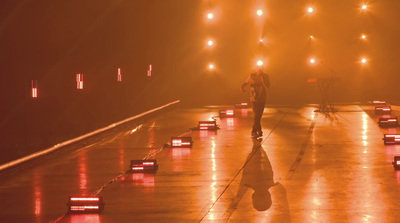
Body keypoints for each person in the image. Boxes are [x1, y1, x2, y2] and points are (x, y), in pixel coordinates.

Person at [240, 65, 270, 138]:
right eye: (258, 69)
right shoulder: (251, 76)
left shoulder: (266, 76)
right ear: (256, 69)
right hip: (254, 99)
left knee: (259, 116)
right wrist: (242, 87)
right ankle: (256, 131)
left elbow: (268, 86)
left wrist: (263, 80)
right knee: (256, 114)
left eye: (261, 69)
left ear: (263, 69)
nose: (259, 70)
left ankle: (256, 130)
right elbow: (246, 82)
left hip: (262, 98)